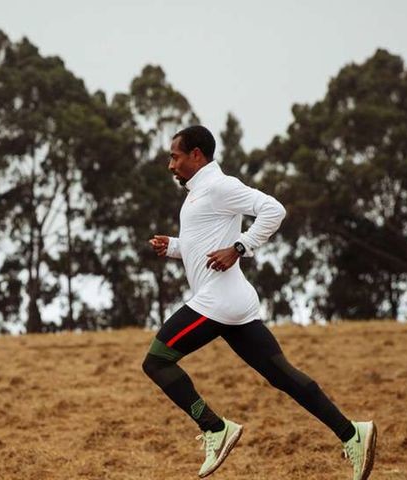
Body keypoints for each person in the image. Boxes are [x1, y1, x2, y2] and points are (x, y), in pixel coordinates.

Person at [142, 125, 376, 479]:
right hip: (232, 301)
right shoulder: (199, 192)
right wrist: (173, 246)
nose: (170, 165)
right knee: (282, 375)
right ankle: (352, 433)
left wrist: (240, 247)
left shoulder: (219, 186)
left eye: (175, 157)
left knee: (157, 361)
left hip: (217, 302)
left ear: (196, 155)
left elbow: (273, 210)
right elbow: (203, 243)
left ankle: (215, 428)